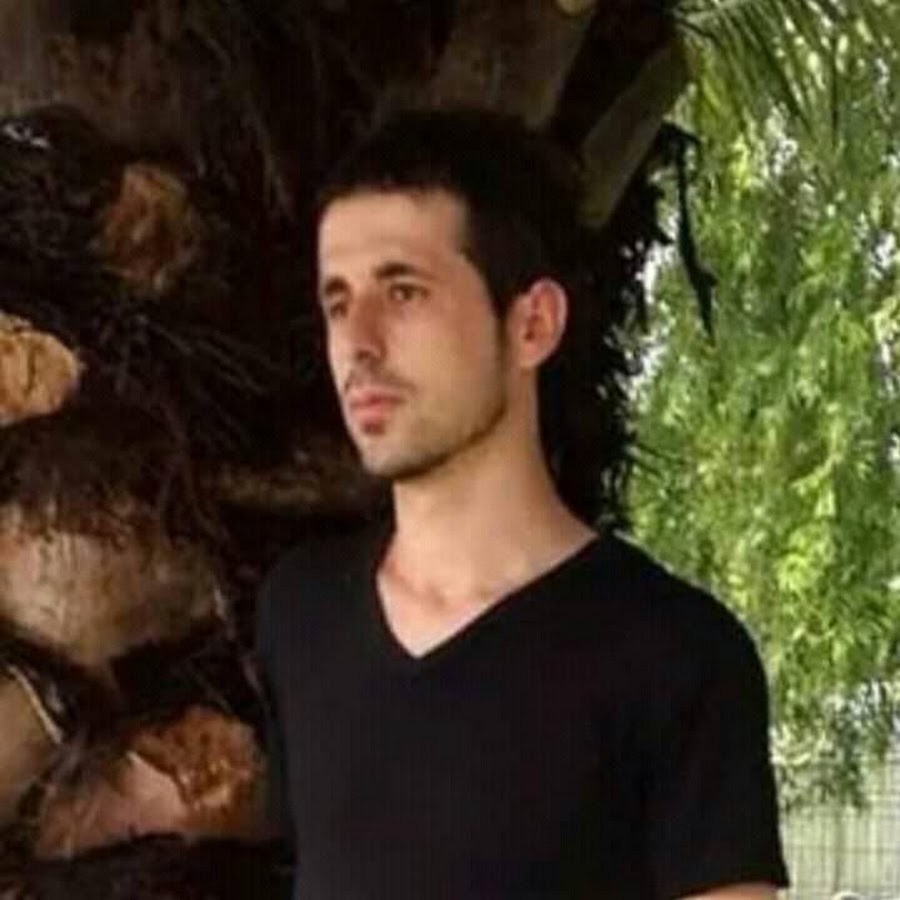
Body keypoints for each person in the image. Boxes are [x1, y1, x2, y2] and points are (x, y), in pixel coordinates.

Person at [256, 109, 789, 899]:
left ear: (533, 323)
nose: (358, 342)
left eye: (403, 292)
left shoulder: (676, 656)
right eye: (338, 302)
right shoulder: (301, 616)